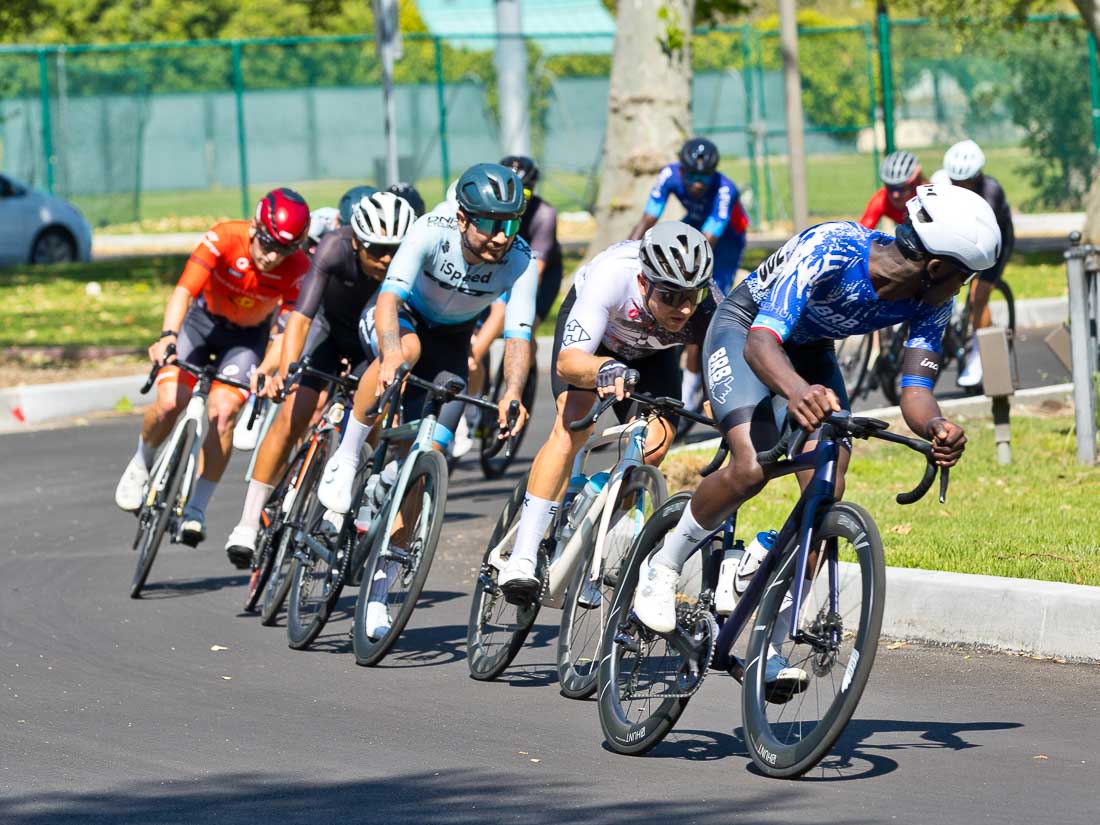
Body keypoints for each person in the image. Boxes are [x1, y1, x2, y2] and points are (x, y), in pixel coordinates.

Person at [631, 183, 1000, 697]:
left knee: (827, 485)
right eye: (964, 276)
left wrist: (934, 425)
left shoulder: (929, 302)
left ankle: (771, 645)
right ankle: (662, 566)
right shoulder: (833, 248)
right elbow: (762, 342)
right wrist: (798, 392)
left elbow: (915, 387)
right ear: (937, 265)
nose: (963, 288)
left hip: (809, 351)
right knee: (752, 464)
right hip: (746, 332)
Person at [315, 162, 539, 639]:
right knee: (408, 351)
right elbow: (390, 299)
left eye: (511, 223)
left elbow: (520, 336)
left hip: (452, 341)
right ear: (463, 218)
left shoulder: (521, 259)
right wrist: (393, 352)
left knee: (428, 454)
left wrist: (514, 392)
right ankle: (347, 457)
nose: (501, 236)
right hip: (400, 318)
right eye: (490, 224)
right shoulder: (430, 230)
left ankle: (379, 593)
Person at [496, 222, 718, 603]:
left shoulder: (707, 306)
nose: (683, 308)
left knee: (655, 445)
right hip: (594, 347)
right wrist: (600, 369)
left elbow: (724, 367)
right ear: (644, 282)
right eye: (671, 295)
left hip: (651, 358)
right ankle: (524, 554)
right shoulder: (612, 276)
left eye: (691, 296)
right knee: (572, 425)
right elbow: (568, 363)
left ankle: (593, 537)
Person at [222, 192, 416, 568]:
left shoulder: (406, 265)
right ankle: (247, 522)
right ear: (357, 241)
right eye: (377, 250)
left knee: (369, 415)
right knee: (294, 412)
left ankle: (344, 501)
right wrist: (288, 369)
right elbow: (302, 317)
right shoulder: (334, 247)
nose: (387, 260)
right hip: (326, 331)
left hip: (368, 342)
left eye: (395, 250)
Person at [114, 188, 312, 545]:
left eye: (283, 251)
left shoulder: (298, 269)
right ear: (254, 227)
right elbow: (184, 290)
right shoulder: (224, 237)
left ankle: (197, 509)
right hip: (200, 326)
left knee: (223, 415)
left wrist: (267, 370)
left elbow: (283, 334)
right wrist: (168, 336)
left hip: (246, 340)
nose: (271, 257)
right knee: (171, 401)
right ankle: (140, 464)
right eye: (266, 244)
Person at [452, 155, 563, 459]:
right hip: (490, 265)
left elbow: (532, 272)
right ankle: (476, 399)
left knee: (522, 327)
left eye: (526, 193)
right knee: (477, 338)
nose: (521, 199)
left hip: (534, 272)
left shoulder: (544, 215)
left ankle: (519, 380)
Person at [630, 137, 750, 416]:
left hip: (726, 238)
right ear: (681, 171)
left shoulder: (724, 190)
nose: (698, 183)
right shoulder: (668, 175)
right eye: (692, 176)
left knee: (701, 306)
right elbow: (647, 221)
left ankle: (691, 383)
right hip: (694, 222)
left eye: (704, 176)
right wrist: (629, 256)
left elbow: (708, 242)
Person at [935, 140, 1016, 388]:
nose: (959, 186)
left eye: (965, 181)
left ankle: (979, 354)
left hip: (994, 242)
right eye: (954, 181)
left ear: (977, 176)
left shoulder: (991, 191)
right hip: (962, 239)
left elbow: (982, 234)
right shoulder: (942, 181)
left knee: (977, 297)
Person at [859, 150, 925, 230]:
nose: (895, 195)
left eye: (902, 189)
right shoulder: (881, 199)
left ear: (915, 183)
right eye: (890, 187)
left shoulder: (927, 197)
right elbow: (861, 233)